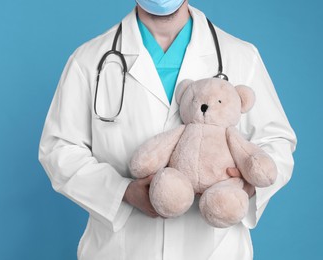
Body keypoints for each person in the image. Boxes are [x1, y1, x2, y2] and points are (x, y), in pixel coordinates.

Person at [39, 0, 297, 259]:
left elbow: (278, 142)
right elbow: (58, 149)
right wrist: (122, 192)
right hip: (120, 250)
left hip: (215, 249)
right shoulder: (89, 60)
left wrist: (248, 185)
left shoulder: (240, 56)